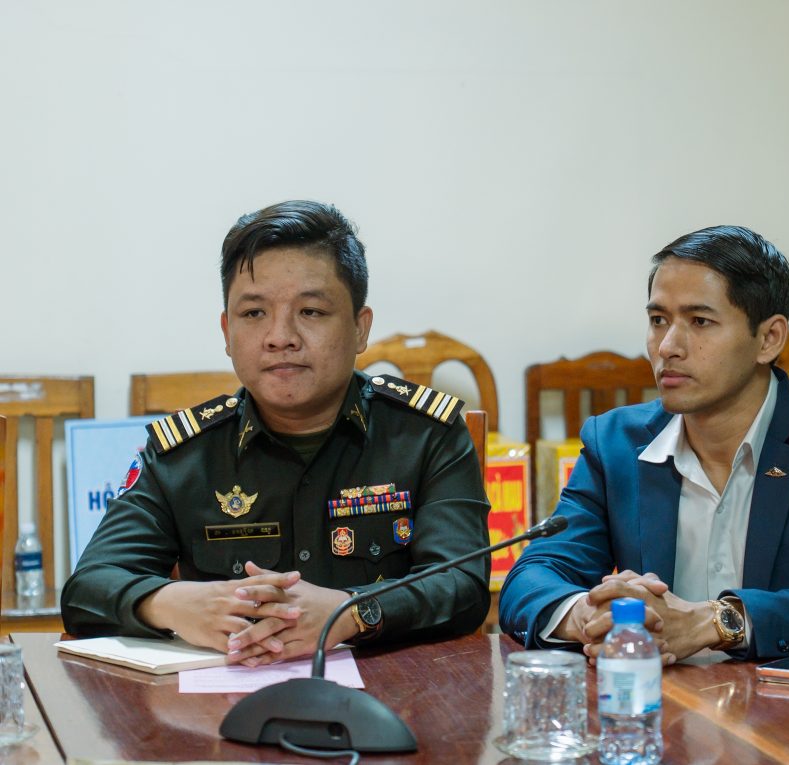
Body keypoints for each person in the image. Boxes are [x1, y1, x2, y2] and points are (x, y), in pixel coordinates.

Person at [62, 200, 491, 665]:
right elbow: (89, 588)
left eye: (311, 311)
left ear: (359, 328)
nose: (280, 336)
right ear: (226, 332)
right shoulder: (183, 454)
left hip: (391, 692)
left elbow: (463, 586)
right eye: (254, 314)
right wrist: (173, 603)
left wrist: (352, 612)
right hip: (226, 695)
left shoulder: (427, 435)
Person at [499, 225, 789, 662]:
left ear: (768, 339)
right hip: (658, 697)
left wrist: (715, 622)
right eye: (658, 320)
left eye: (700, 322)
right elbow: (532, 577)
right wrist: (589, 615)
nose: (668, 347)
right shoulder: (616, 442)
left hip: (787, 698)